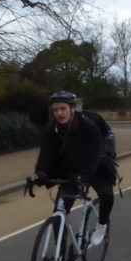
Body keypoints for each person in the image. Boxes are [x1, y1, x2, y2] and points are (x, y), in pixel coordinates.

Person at [32, 91, 114, 247]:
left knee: (107, 194)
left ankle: (102, 225)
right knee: (59, 213)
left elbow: (95, 151)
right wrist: (40, 171)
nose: (59, 113)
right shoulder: (53, 129)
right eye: (55, 110)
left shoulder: (88, 125)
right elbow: (46, 151)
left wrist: (84, 175)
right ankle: (59, 257)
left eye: (63, 108)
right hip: (72, 170)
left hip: (96, 165)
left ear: (72, 109)